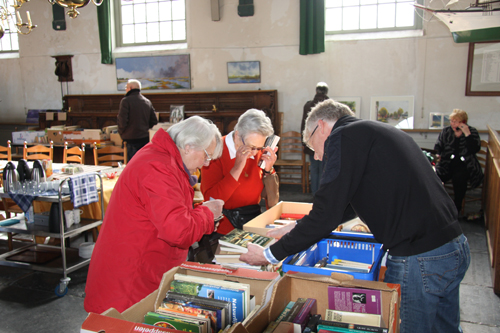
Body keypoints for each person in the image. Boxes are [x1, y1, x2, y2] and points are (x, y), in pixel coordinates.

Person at [241, 99, 470, 333]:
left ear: (320, 126)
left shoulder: (342, 137)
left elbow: (326, 214)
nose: (318, 157)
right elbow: (345, 206)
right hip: (453, 246)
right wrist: (296, 226)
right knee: (447, 329)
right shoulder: (376, 131)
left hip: (419, 257)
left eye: (312, 147)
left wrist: (269, 254)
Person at [84, 116, 224, 314]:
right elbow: (178, 231)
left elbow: (171, 215)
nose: (206, 164)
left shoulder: (165, 159)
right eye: (207, 156)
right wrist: (207, 214)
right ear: (189, 146)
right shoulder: (159, 167)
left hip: (141, 270)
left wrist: (201, 216)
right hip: (129, 281)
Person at [201, 109, 279, 235]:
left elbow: (271, 202)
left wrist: (269, 171)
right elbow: (211, 200)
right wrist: (237, 168)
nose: (254, 153)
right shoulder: (216, 151)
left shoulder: (257, 151)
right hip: (224, 228)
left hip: (252, 221)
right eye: (251, 147)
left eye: (259, 148)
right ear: (237, 136)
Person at [434, 109, 483, 215]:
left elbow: (474, 149)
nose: (453, 123)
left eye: (456, 121)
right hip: (447, 162)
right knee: (435, 176)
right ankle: (438, 205)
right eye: (451, 121)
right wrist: (438, 153)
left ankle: (457, 207)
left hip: (466, 164)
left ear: (463, 122)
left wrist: (467, 134)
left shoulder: (472, 131)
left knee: (459, 178)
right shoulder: (446, 131)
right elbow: (438, 145)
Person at [117, 79, 158, 162]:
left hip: (130, 140)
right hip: (145, 139)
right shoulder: (147, 101)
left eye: (126, 87)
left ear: (130, 88)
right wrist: (145, 128)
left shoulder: (126, 101)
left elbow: (122, 121)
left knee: (130, 167)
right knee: (143, 165)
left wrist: (121, 133)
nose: (125, 89)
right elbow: (154, 121)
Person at [301, 82, 329, 194]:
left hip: (311, 142)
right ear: (326, 92)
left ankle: (314, 193)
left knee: (314, 168)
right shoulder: (330, 106)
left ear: (316, 91)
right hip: (326, 142)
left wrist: (304, 143)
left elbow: (304, 126)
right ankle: (322, 193)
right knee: (324, 169)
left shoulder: (308, 105)